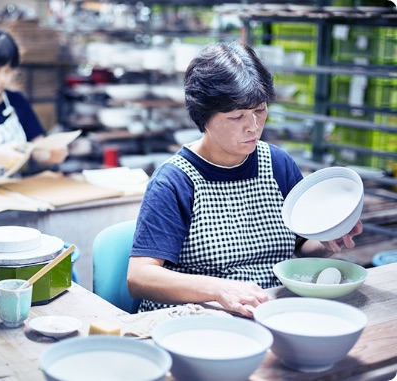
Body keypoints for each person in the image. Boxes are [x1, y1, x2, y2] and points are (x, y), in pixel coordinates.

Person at [127, 41, 363, 317]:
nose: (253, 127)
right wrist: (219, 289)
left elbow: (300, 247)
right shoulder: (175, 181)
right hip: (199, 316)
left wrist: (327, 242)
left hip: (271, 309)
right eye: (237, 116)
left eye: (260, 111)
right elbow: (140, 277)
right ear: (204, 117)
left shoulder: (277, 164)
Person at [0, 25, 68, 188]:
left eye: (8, 70)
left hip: (12, 197)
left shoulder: (16, 102)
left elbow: (37, 148)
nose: (2, 78)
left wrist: (50, 154)